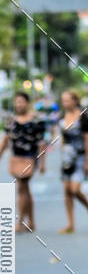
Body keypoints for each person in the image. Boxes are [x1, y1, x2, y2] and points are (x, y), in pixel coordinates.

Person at [0, 91, 47, 232]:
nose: (19, 104)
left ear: (27, 103)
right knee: (25, 189)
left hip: (30, 158)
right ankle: (31, 222)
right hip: (16, 159)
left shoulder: (36, 120)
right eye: (17, 102)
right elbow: (4, 141)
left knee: (22, 187)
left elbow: (41, 143)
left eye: (21, 101)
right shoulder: (11, 121)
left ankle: (21, 222)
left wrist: (42, 163)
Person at [56, 89, 88, 233]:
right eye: (64, 100)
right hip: (67, 157)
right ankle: (70, 224)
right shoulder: (62, 116)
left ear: (75, 101)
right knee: (67, 190)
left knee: (75, 189)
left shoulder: (83, 116)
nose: (66, 103)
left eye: (68, 100)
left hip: (81, 156)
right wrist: (62, 153)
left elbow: (87, 138)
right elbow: (62, 138)